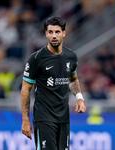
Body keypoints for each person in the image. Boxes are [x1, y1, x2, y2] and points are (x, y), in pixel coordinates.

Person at [21, 16, 86, 150]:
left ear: (63, 33)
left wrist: (79, 98)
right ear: (46, 34)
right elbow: (26, 89)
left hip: (63, 117)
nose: (54, 36)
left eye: (57, 32)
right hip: (44, 117)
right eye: (50, 32)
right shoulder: (36, 59)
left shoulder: (71, 56)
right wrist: (25, 119)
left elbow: (73, 79)